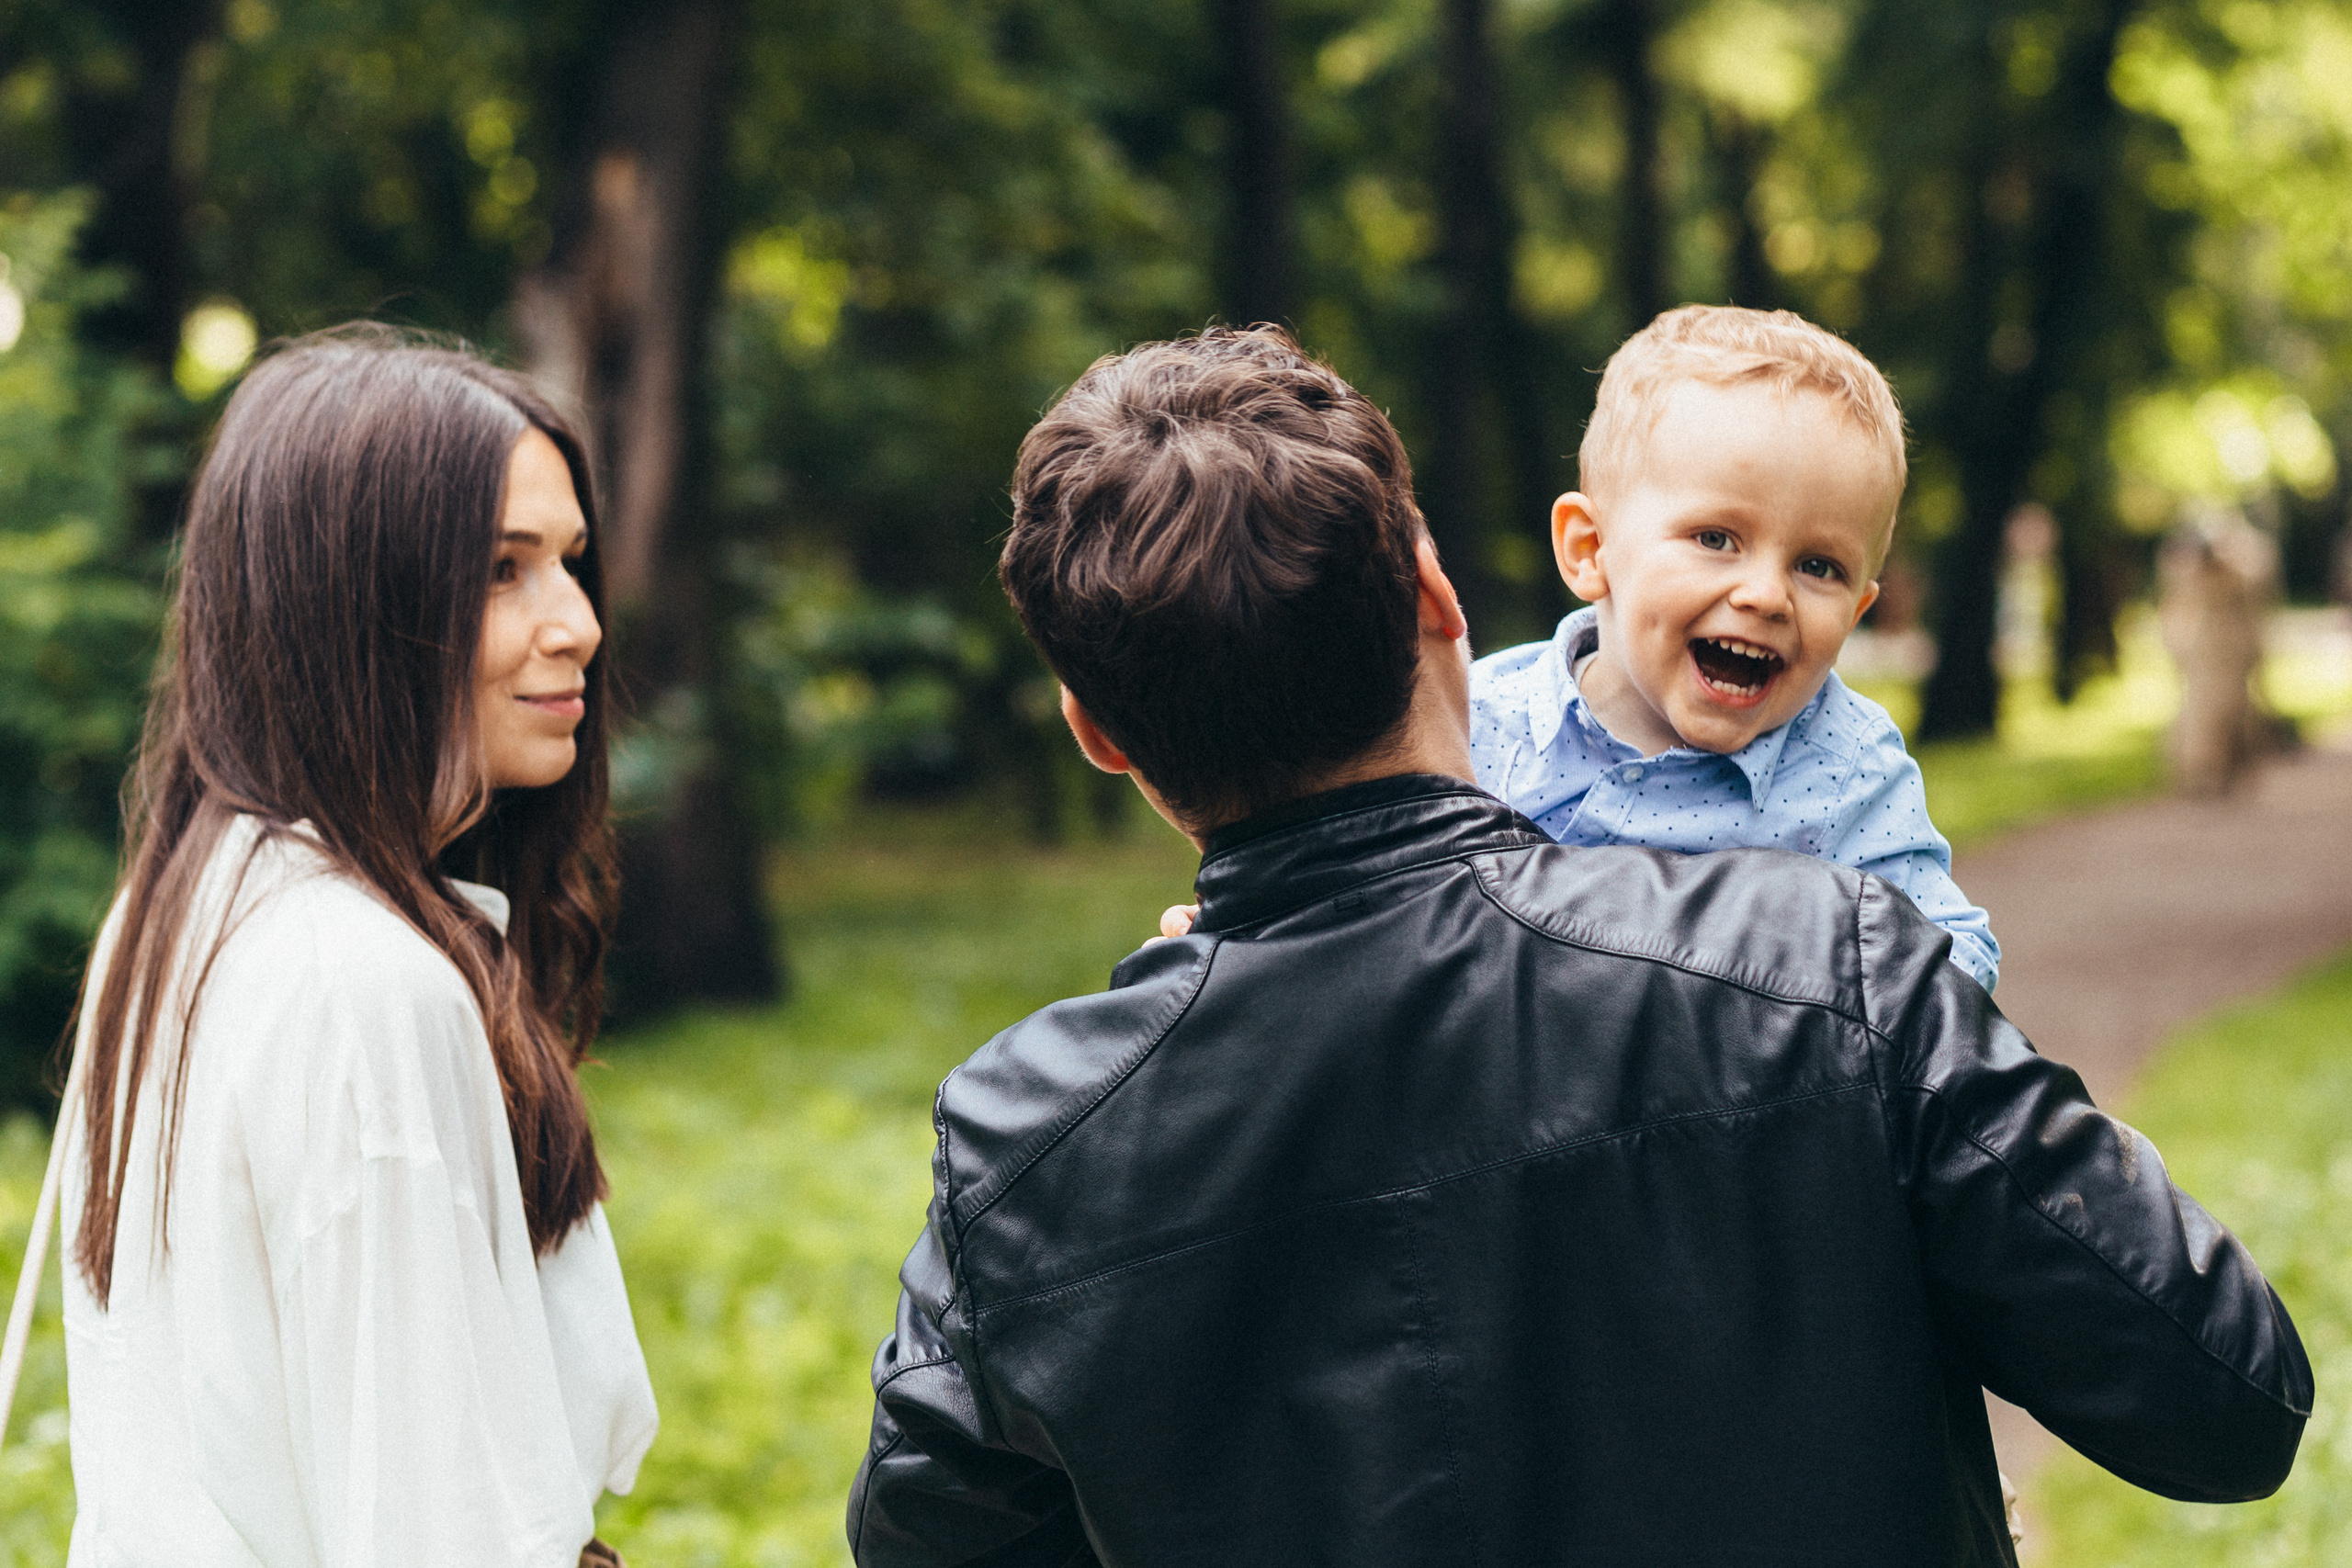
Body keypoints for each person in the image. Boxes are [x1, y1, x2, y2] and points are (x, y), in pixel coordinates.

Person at [846, 326, 2308, 1567]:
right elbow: (2228, 1395)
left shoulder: (1024, 1154)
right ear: (1438, 600)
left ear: (1099, 733)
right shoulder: (1829, 967)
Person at [60, 329, 657, 1566]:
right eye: (501, 569)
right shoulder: (358, 983)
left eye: (570, 563)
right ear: (356, 606)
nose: (579, 623)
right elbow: (439, 1528)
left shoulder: (188, 899)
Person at [1464, 304, 1998, 988]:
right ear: (1590, 548)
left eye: (1818, 567)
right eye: (1716, 539)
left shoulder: (1847, 774)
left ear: (1860, 607)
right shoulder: (1480, 728)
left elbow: (1955, 973)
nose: (1768, 596)